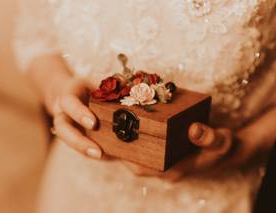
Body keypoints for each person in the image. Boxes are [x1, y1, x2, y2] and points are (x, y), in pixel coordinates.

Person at [14, 0, 276, 212]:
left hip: (215, 192)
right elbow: (36, 39)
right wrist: (58, 90)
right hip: (81, 183)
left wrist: (246, 145)